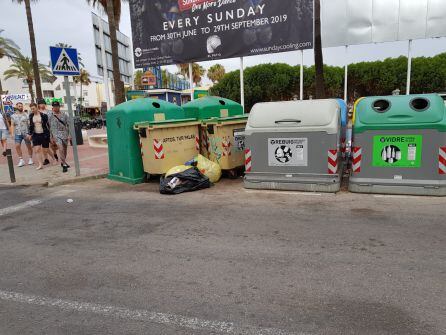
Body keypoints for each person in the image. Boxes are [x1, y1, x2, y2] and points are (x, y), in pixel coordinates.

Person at [48, 101, 71, 172]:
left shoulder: (64, 115)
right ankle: (64, 164)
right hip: (56, 135)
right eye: (54, 106)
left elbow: (69, 125)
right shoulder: (50, 116)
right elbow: (49, 127)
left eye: (57, 106)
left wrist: (69, 134)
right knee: (60, 148)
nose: (55, 108)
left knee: (64, 150)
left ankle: (63, 161)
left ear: (59, 107)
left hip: (64, 134)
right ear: (52, 107)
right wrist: (51, 137)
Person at [28, 103, 51, 170]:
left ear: (37, 108)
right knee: (37, 150)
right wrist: (30, 134)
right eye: (31, 109)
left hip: (44, 134)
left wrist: (50, 135)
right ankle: (40, 164)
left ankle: (53, 157)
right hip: (35, 134)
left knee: (45, 150)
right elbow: (31, 126)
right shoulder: (31, 116)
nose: (32, 110)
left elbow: (48, 125)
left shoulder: (44, 115)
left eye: (33, 108)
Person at [10, 102, 33, 167]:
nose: (21, 107)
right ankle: (21, 160)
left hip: (26, 133)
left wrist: (30, 133)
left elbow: (30, 124)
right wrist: (12, 133)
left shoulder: (26, 115)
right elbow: (12, 125)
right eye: (19, 106)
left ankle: (30, 158)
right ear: (16, 107)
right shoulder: (13, 116)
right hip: (18, 133)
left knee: (29, 146)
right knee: (17, 146)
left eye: (21, 106)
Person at [37, 98, 57, 165]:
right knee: (44, 146)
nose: (41, 105)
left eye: (43, 103)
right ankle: (46, 159)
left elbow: (53, 120)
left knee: (52, 144)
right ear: (38, 105)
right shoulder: (37, 112)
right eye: (40, 104)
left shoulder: (49, 112)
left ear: (45, 104)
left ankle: (55, 153)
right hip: (41, 131)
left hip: (50, 129)